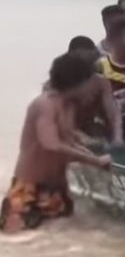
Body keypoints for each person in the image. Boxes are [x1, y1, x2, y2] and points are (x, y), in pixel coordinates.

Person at [1, 53, 112, 233]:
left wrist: (95, 157)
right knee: (21, 243)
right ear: (77, 83)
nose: (93, 87)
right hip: (28, 190)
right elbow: (52, 145)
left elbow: (68, 140)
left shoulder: (68, 106)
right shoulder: (45, 105)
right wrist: (95, 162)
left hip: (57, 190)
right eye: (90, 82)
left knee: (58, 247)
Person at [65, 36, 124, 145]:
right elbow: (59, 120)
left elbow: (113, 113)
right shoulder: (58, 85)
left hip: (90, 132)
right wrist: (81, 137)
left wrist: (118, 137)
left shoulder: (100, 83)